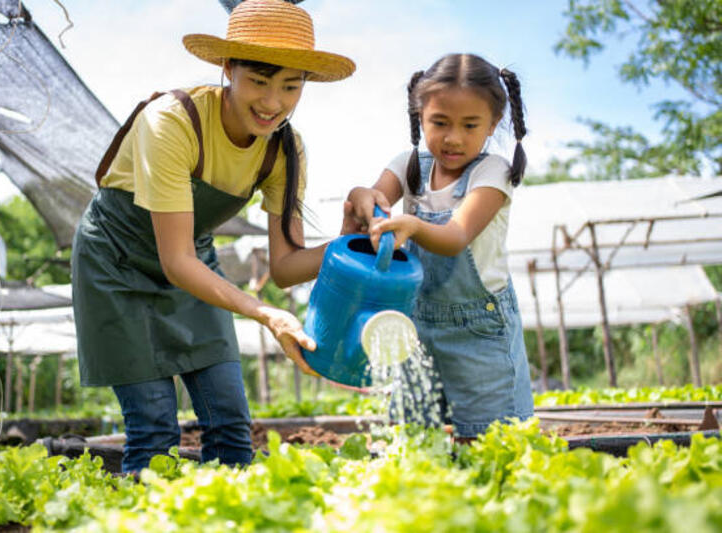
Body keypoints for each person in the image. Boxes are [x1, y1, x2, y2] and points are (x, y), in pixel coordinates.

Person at [71, 0, 355, 473]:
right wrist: (264, 313)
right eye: (259, 81)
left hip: (192, 263)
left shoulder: (284, 149)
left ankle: (224, 510)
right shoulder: (172, 121)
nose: (273, 103)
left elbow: (287, 267)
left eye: (291, 86)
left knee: (229, 424)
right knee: (154, 428)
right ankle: (143, 510)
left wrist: (353, 242)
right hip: (117, 265)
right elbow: (175, 260)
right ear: (228, 68)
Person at [345, 53, 534, 437]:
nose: (453, 138)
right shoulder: (409, 165)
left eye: (470, 125)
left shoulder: (492, 172)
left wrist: (412, 225)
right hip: (416, 323)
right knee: (413, 433)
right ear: (420, 116)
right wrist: (362, 197)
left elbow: (455, 237)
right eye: (440, 122)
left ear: (493, 123)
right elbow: (375, 197)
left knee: (487, 438)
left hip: (479, 331)